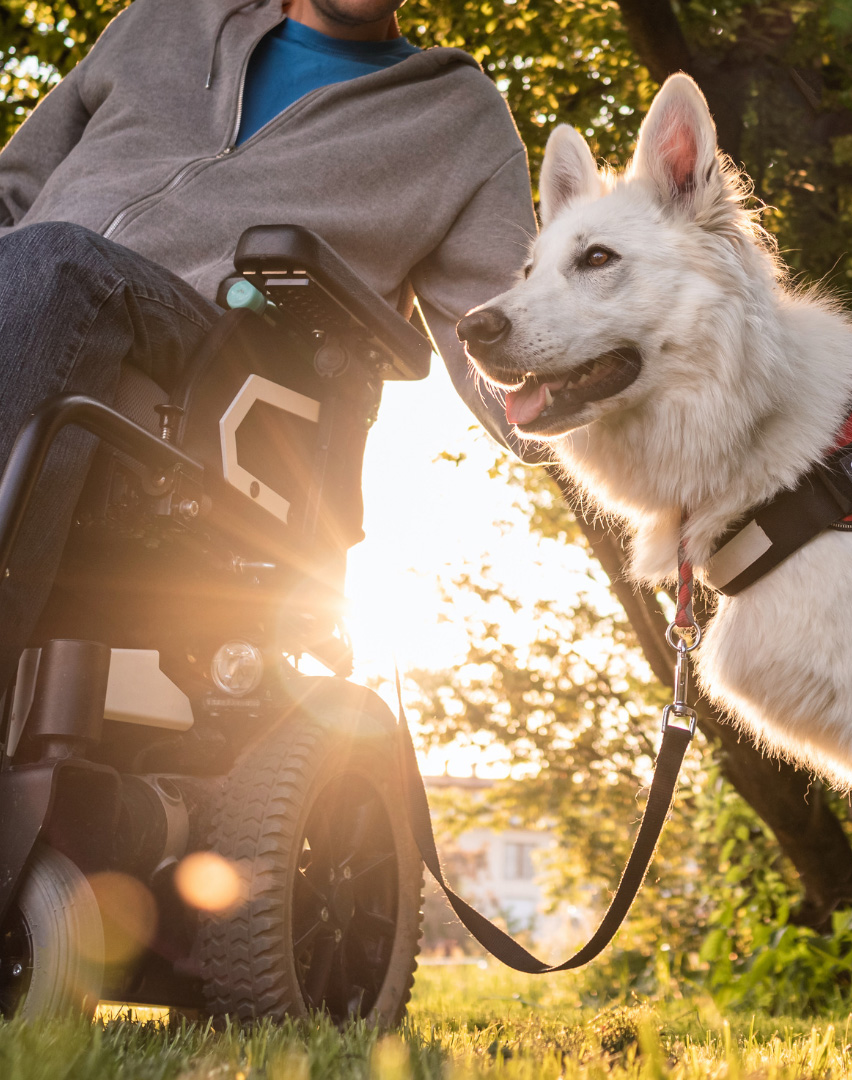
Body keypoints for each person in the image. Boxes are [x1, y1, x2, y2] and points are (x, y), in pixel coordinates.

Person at [0, 0, 537, 686]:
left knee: (58, 267)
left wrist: (657, 418)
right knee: (40, 266)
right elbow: (13, 190)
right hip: (23, 287)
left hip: (206, 356)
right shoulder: (166, 19)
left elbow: (521, 342)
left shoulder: (458, 118)